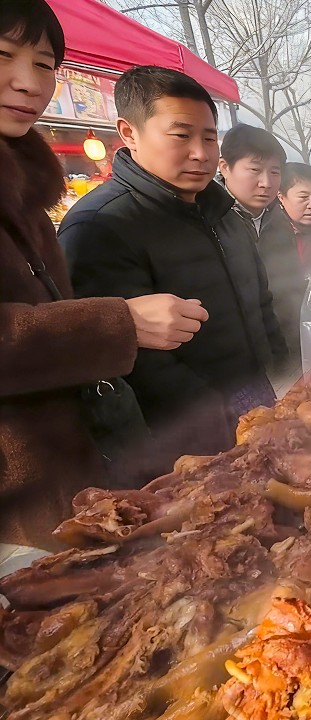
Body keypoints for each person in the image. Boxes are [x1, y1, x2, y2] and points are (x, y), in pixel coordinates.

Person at [0, 1, 206, 545]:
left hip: (77, 469)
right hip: (17, 503)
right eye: (3, 55)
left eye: (44, 64)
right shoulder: (98, 219)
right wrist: (119, 324)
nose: (29, 83)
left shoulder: (24, 191)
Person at [61, 66, 285, 474]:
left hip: (255, 391)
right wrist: (212, 414)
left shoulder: (223, 212)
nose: (200, 153)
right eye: (181, 136)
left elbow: (259, 297)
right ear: (129, 133)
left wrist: (280, 367)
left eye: (209, 138)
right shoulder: (100, 226)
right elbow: (125, 357)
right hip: (182, 429)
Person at [218, 124, 305, 374]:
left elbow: (291, 287)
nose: (266, 183)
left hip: (287, 349)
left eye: (275, 172)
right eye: (255, 170)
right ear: (225, 167)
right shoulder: (209, 221)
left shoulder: (280, 221)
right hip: (237, 363)